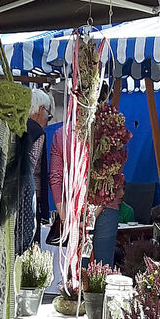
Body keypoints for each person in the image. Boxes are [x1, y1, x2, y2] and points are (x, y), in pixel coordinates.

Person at [49, 84, 122, 266]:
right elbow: (111, 181)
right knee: (103, 270)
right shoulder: (110, 135)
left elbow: (55, 178)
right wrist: (91, 217)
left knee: (75, 270)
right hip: (104, 209)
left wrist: (66, 218)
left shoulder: (61, 134)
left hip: (73, 207)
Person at [16, 88, 52, 253]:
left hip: (11, 198)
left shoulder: (16, 125)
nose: (47, 121)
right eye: (49, 117)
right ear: (41, 110)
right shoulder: (37, 132)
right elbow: (30, 169)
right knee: (29, 248)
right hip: (27, 201)